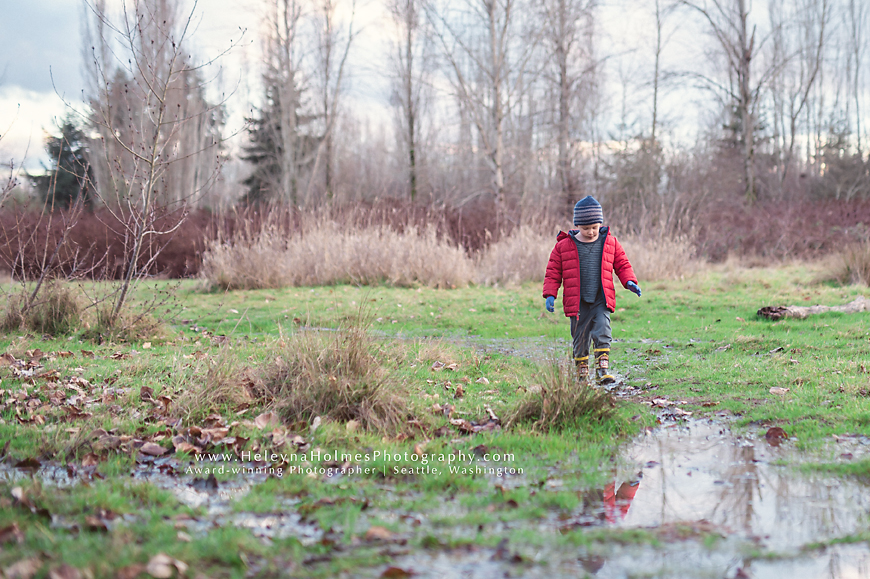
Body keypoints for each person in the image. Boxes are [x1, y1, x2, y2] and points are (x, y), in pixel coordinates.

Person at [542, 196, 641, 384]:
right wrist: (550, 294)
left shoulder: (610, 243)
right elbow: (553, 271)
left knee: (603, 329)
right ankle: (581, 371)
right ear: (577, 225)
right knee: (580, 336)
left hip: (600, 299)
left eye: (595, 227)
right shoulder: (563, 246)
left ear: (600, 224)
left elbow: (622, 264)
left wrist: (629, 282)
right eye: (586, 228)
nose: (591, 232)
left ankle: (602, 369)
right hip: (577, 300)